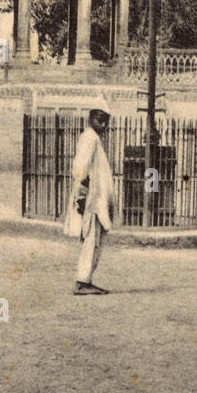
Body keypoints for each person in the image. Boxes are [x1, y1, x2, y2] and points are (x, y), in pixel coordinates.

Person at [62, 99, 116, 296]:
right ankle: (83, 281)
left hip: (96, 199)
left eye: (106, 121)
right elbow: (80, 169)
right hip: (91, 200)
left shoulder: (93, 138)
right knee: (91, 239)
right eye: (100, 120)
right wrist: (82, 197)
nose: (103, 125)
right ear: (91, 118)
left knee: (95, 240)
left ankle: (86, 279)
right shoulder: (89, 138)